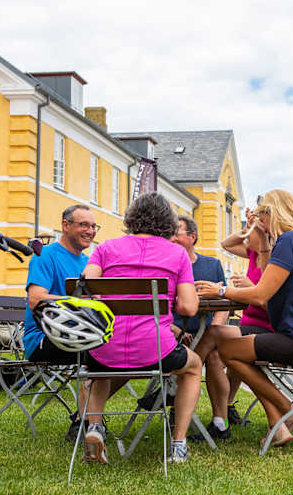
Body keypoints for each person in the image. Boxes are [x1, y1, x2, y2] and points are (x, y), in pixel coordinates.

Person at [195, 189, 293, 450]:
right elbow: (271, 281)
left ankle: (287, 409)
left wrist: (219, 290)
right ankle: (277, 420)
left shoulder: (289, 240)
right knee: (236, 344)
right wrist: (261, 242)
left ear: (274, 213)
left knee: (229, 350)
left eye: (262, 217)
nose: (260, 224)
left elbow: (261, 295)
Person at [81, 192, 202, 464]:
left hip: (104, 348)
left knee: (97, 371)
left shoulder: (105, 248)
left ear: (132, 217)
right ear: (168, 222)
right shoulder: (178, 254)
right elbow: (188, 308)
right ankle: (179, 444)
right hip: (155, 349)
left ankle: (95, 428)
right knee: (194, 366)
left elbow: (87, 288)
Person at [188, 207, 275, 441]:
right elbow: (227, 243)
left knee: (214, 333)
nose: (248, 236)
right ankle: (221, 421)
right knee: (215, 356)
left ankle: (179, 378)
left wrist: (248, 286)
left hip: (267, 326)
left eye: (256, 228)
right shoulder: (255, 252)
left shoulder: (276, 257)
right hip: (248, 322)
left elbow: (272, 303)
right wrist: (249, 227)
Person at [22, 204, 97, 441]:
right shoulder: (45, 255)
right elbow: (36, 300)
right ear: (65, 225)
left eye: (94, 226)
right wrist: (81, 301)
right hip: (43, 338)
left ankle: (88, 414)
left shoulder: (88, 263)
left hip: (79, 334)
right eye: (84, 225)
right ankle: (85, 422)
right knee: (96, 351)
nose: (91, 231)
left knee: (121, 349)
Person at [168, 214, 232, 441]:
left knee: (214, 356)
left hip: (206, 332)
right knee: (211, 355)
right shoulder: (165, 265)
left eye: (176, 232)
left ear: (192, 237)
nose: (171, 238)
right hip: (173, 334)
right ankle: (175, 399)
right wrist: (175, 330)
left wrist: (214, 329)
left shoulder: (212, 265)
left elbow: (224, 305)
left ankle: (220, 423)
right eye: (169, 233)